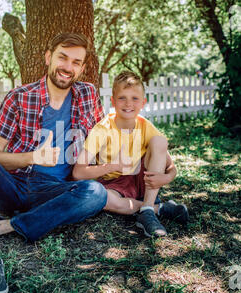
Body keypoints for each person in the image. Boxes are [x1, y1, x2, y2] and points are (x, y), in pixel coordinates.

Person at [0, 33, 107, 293]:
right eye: (62, 57)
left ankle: (7, 225)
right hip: (14, 184)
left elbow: (105, 140)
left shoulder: (88, 94)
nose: (67, 67)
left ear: (82, 68)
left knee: (96, 193)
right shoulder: (18, 97)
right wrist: (32, 157)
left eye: (76, 62)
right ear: (48, 57)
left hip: (56, 191)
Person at [72, 71, 189, 237]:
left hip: (143, 178)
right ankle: (158, 209)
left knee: (159, 141)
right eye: (122, 98)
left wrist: (167, 177)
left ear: (143, 102)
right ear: (113, 101)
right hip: (114, 182)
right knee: (103, 199)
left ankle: (147, 210)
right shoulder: (102, 129)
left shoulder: (145, 125)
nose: (128, 103)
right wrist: (114, 166)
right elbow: (78, 172)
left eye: (135, 98)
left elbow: (170, 166)